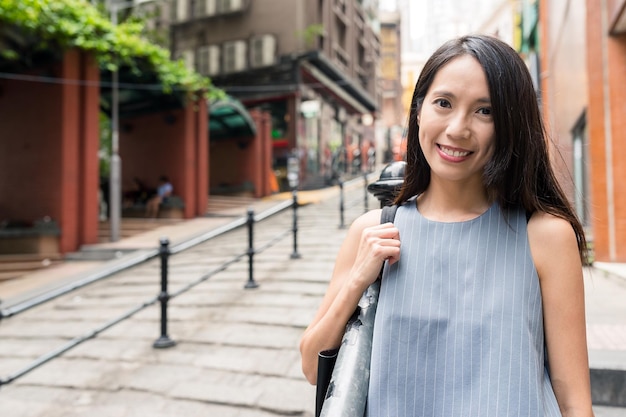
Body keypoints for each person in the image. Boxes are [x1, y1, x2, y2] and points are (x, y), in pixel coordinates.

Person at [299, 34, 594, 416]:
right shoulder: (373, 231)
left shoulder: (544, 235)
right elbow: (311, 366)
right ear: (419, 110)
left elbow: (574, 401)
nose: (458, 128)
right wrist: (357, 280)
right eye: (443, 103)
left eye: (484, 111)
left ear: (510, 125)